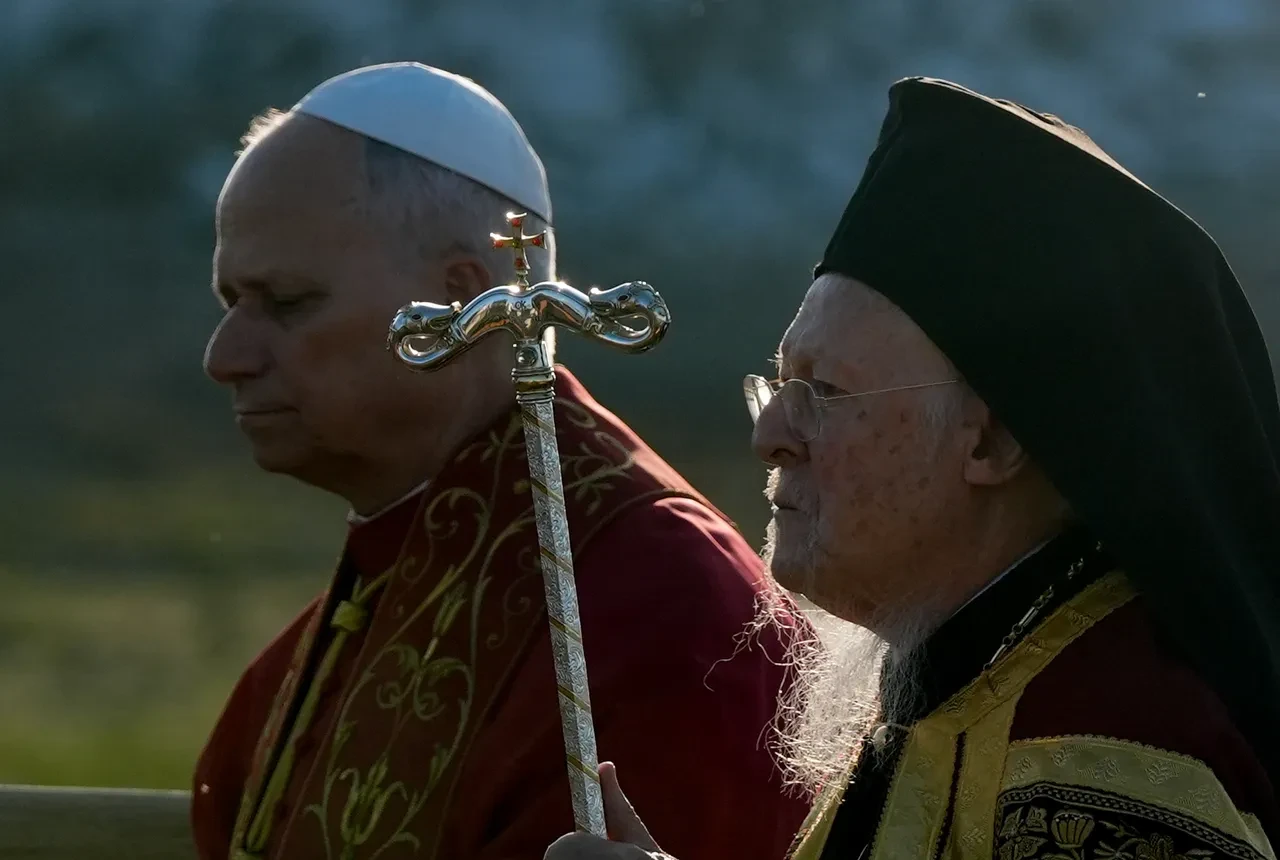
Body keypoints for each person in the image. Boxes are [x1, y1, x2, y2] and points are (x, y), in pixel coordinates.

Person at [546, 77, 1280, 860]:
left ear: (992, 442)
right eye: (780, 383)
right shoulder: (962, 677)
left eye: (824, 392)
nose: (770, 434)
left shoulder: (1109, 773)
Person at [191, 62, 810, 860]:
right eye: (228, 303)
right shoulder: (313, 649)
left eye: (287, 302)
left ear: (463, 298)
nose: (225, 356)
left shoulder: (669, 611)